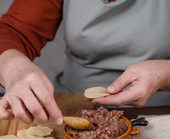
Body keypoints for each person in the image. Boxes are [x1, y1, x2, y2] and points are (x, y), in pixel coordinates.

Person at [0, 0, 170, 125]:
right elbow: (15, 31)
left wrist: (162, 75)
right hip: (72, 110)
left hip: (157, 116)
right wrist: (13, 65)